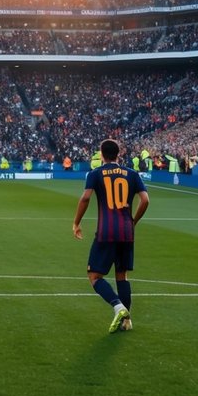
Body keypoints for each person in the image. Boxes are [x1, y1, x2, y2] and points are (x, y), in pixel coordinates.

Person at [72, 138, 149, 334]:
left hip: (106, 231)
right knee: (121, 275)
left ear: (101, 154)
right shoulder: (131, 174)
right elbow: (145, 200)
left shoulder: (95, 173)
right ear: (118, 153)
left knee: (94, 275)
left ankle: (118, 307)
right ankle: (127, 321)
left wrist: (76, 222)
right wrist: (133, 221)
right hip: (126, 231)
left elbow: (86, 197)